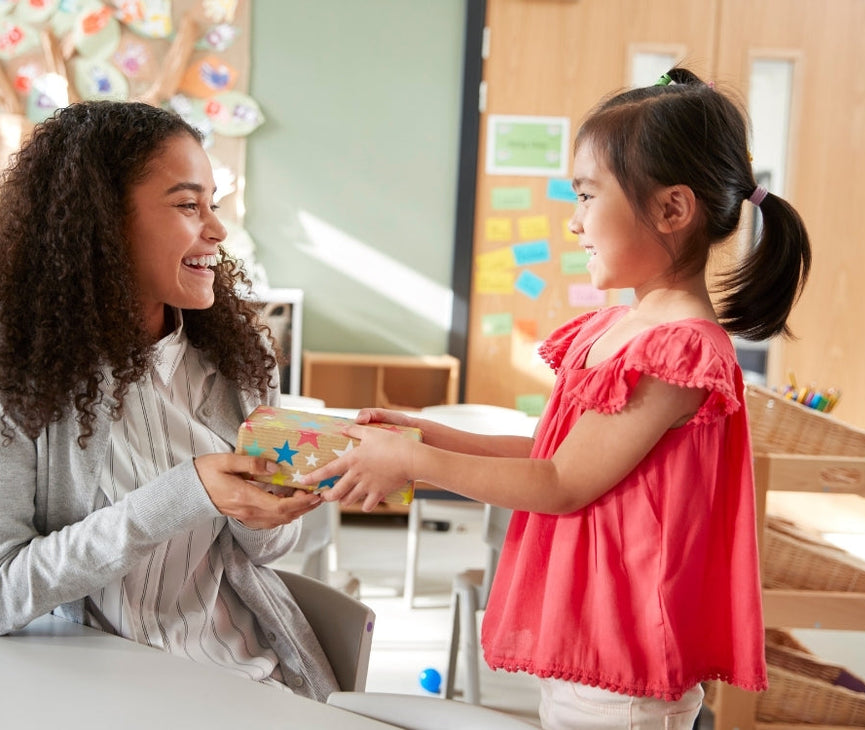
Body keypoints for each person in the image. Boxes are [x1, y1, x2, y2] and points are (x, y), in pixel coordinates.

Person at [305, 67, 811, 728]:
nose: (573, 223)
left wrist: (415, 465)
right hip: (590, 634)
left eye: (587, 195)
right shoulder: (619, 328)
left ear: (672, 209)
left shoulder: (678, 352)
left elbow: (562, 483)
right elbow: (550, 453)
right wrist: (422, 435)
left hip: (624, 654)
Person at [0, 100, 338, 700]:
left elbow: (265, 554)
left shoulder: (238, 354)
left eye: (213, 204)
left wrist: (266, 507)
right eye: (187, 205)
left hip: (239, 680)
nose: (216, 230)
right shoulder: (3, 355)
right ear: (102, 220)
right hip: (78, 694)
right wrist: (188, 491)